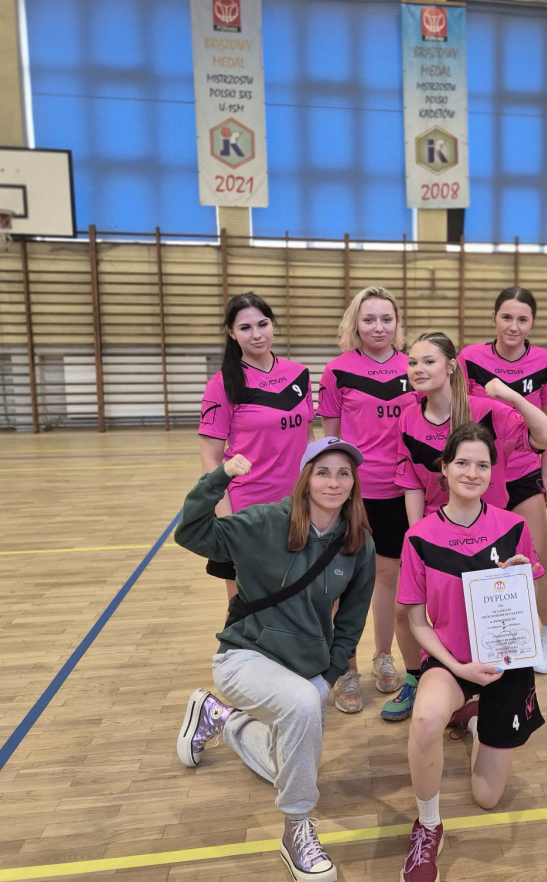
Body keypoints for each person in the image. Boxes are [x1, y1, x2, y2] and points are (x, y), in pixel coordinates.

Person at [174, 436, 375, 882]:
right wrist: (219, 477)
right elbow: (191, 533)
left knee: (290, 760)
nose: (334, 482)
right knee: (301, 713)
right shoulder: (264, 522)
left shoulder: (358, 544)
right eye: (323, 472)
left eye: (343, 474)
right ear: (305, 479)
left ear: (353, 484)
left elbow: (351, 622)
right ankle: (296, 828)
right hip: (245, 656)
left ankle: (221, 718)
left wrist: (329, 676)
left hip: (305, 671)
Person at [385, 331, 547, 723]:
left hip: (486, 535)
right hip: (435, 531)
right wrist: (419, 540)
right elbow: (412, 484)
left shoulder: (487, 411)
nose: (418, 369)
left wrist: (512, 396)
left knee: (478, 615)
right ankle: (417, 679)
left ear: (451, 366)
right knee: (405, 611)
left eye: (428, 361)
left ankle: (481, 694)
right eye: (412, 362)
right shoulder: (409, 417)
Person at [397, 424, 546, 882]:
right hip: (452, 661)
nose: (472, 472)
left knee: (486, 797)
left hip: (507, 663)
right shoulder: (419, 536)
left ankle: (477, 719)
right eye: (462, 462)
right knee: (425, 720)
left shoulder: (514, 527)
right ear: (443, 469)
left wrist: (522, 576)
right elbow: (417, 622)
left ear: (492, 472)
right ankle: (427, 826)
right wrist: (458, 665)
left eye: (482, 465)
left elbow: (524, 606)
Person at [318, 286, 417, 715]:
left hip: (400, 491)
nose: (378, 327)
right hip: (354, 493)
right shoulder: (337, 371)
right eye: (369, 319)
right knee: (342, 582)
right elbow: (330, 442)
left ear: (397, 323)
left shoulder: (413, 367)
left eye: (386, 319)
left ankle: (383, 655)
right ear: (355, 324)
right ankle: (346, 668)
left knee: (388, 579)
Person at [459, 287, 547, 674]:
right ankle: (489, 639)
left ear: (532, 323)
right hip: (479, 475)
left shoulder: (545, 362)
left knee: (537, 558)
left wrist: (546, 475)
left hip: (522, 472)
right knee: (482, 561)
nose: (513, 326)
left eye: (522, 319)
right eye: (506, 317)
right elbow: (459, 415)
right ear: (494, 318)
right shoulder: (470, 359)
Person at [198, 292, 315, 603]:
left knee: (296, 601)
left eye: (263, 324)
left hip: (295, 506)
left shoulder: (299, 374)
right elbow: (210, 458)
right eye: (245, 328)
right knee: (245, 606)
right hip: (247, 510)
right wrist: (227, 522)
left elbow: (308, 439)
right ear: (231, 333)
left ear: (272, 324)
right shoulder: (222, 384)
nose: (257, 334)